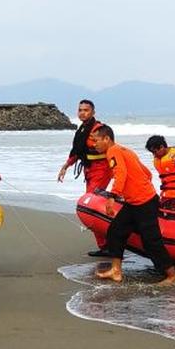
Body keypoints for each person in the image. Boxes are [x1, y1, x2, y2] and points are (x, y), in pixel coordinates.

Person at [91, 125, 175, 286]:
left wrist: (113, 196)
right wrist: (135, 189)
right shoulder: (125, 150)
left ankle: (172, 276)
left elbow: (121, 173)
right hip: (135, 202)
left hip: (144, 203)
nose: (93, 144)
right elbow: (147, 173)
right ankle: (116, 270)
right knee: (115, 231)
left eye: (96, 140)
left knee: (151, 241)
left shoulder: (113, 151)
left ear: (106, 139)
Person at [57, 99, 110, 255]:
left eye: (86, 110)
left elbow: (111, 149)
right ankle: (104, 246)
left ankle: (108, 245)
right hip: (89, 171)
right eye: (80, 110)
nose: (82, 113)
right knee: (92, 207)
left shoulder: (99, 130)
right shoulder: (81, 130)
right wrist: (65, 166)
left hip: (101, 171)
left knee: (91, 206)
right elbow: (77, 152)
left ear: (93, 112)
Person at [145, 135, 175, 212]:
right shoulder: (158, 159)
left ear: (161, 147)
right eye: (152, 152)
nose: (154, 155)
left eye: (155, 152)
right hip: (166, 195)